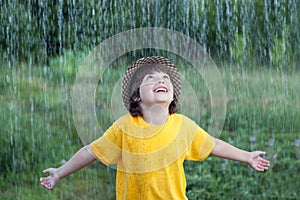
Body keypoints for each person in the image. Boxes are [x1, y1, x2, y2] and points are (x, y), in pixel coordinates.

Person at [40, 56, 270, 199]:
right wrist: (60, 172)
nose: (160, 80)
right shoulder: (124, 127)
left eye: (165, 79)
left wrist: (247, 155)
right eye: (149, 79)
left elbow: (214, 144)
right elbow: (91, 151)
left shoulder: (183, 126)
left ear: (171, 96)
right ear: (137, 97)